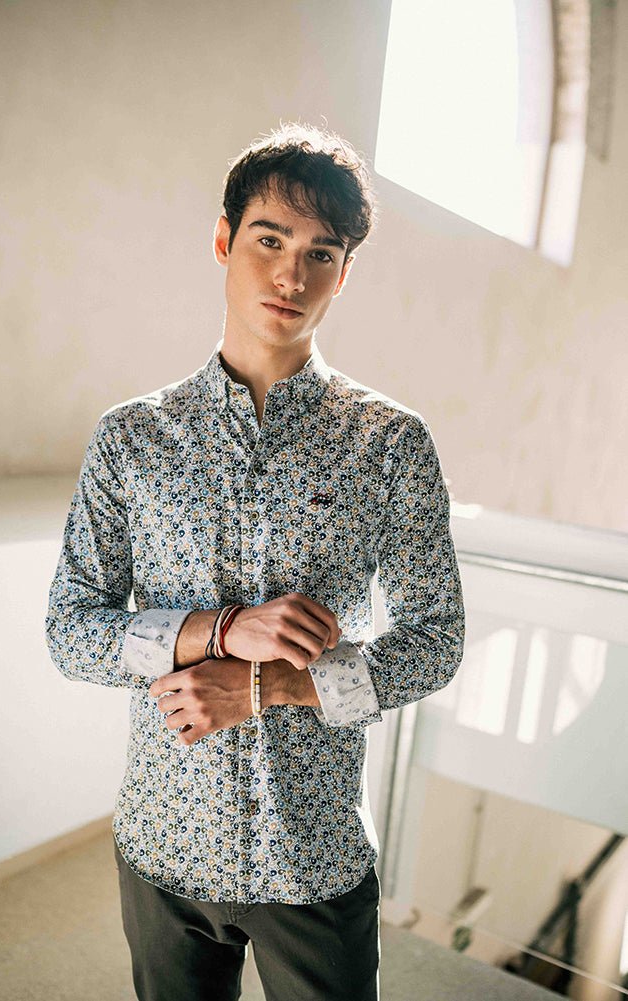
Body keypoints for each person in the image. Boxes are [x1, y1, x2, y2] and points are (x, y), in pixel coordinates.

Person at [46, 122, 465, 1001]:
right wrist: (222, 631)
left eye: (321, 252)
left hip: (311, 854)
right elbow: (70, 631)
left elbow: (435, 639)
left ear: (344, 273)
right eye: (270, 240)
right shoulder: (132, 438)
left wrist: (274, 685)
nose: (290, 275)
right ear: (222, 240)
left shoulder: (389, 444)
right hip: (163, 842)